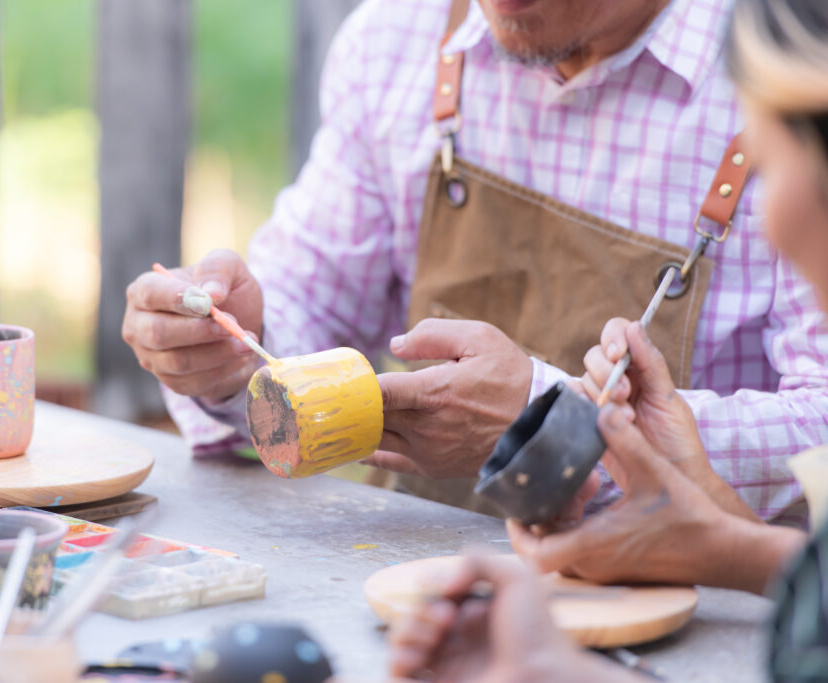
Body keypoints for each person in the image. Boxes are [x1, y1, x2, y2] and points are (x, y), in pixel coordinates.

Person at [122, 0, 828, 520]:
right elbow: (309, 305)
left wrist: (552, 425)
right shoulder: (398, 40)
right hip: (430, 597)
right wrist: (232, 356)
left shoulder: (794, 68)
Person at [389, 0, 828, 680]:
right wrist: (719, 539)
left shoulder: (766, 54)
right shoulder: (403, 38)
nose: (767, 226)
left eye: (772, 161)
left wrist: (546, 411)